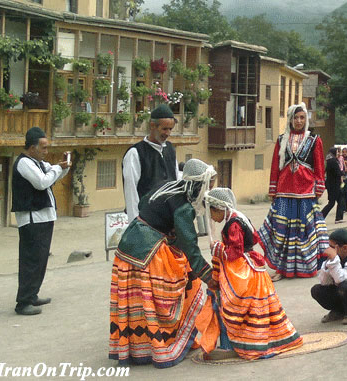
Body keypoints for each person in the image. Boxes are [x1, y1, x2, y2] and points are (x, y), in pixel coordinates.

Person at [109, 159, 216, 367]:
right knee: (180, 287)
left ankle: (137, 347)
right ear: (198, 185)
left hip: (128, 244)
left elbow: (143, 204)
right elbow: (190, 246)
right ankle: (163, 342)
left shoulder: (168, 187)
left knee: (137, 299)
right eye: (208, 186)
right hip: (150, 252)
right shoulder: (184, 207)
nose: (209, 192)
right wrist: (208, 276)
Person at [197, 188, 303, 360]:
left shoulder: (233, 224)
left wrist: (218, 249)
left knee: (231, 304)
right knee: (255, 307)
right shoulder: (238, 217)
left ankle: (238, 344)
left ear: (218, 209)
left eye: (211, 213)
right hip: (252, 267)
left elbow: (235, 251)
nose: (211, 218)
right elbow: (252, 239)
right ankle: (256, 341)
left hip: (243, 270)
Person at [258, 103, 328, 281]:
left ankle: (305, 268)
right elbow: (275, 165)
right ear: (290, 119)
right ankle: (282, 269)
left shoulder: (314, 140)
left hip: (305, 192)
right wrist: (272, 188)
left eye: (302, 118)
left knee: (304, 231)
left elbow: (319, 166)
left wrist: (319, 186)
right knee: (282, 231)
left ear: (306, 119)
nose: (298, 121)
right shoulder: (282, 139)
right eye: (295, 118)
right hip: (284, 191)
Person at [12, 127, 71, 315]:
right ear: (31, 148)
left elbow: (51, 177)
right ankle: (23, 302)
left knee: (40, 259)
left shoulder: (39, 163)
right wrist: (56, 168)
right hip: (32, 219)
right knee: (31, 260)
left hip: (44, 217)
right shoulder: (24, 163)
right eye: (43, 148)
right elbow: (42, 182)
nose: (46, 152)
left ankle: (32, 295)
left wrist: (63, 167)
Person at [122, 104, 180, 222]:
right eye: (164, 129)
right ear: (152, 126)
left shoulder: (170, 149)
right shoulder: (135, 153)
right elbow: (131, 191)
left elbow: (176, 182)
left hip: (168, 221)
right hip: (147, 221)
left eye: (170, 129)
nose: (168, 133)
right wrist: (136, 224)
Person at [311, 229, 347, 325]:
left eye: (332, 247)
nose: (329, 249)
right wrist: (328, 264)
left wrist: (334, 260)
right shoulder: (333, 260)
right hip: (341, 293)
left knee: (344, 287)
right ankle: (338, 310)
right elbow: (324, 282)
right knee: (317, 289)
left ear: (344, 248)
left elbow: (340, 279)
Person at [322, 147, 346, 223]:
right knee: (332, 203)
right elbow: (337, 172)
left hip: (332, 184)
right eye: (337, 152)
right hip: (334, 185)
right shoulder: (333, 161)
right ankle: (320, 217)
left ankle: (339, 218)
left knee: (340, 200)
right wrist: (343, 173)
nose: (338, 154)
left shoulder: (329, 160)